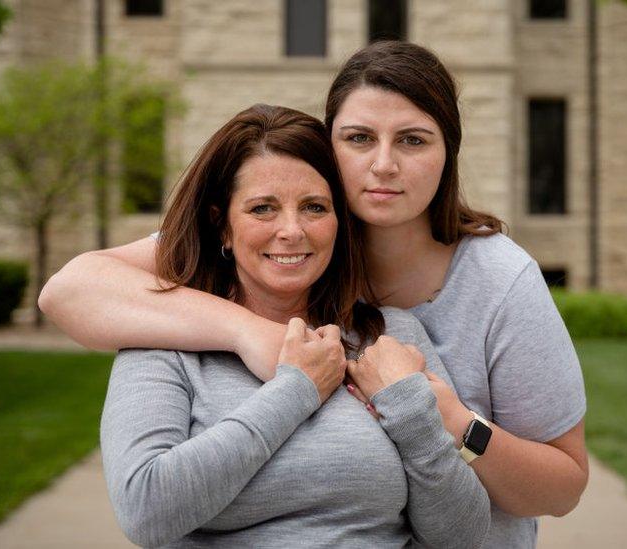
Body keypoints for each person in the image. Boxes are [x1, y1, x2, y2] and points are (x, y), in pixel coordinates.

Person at [42, 41, 587, 548]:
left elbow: (556, 489)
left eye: (414, 140)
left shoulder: (486, 284)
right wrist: (259, 340)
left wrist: (443, 415)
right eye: (358, 138)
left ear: (450, 153)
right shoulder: (249, 240)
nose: (383, 165)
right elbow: (70, 289)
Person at [99, 103, 490, 547]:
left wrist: (410, 411)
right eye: (263, 208)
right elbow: (144, 512)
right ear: (221, 226)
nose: (292, 230)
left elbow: (464, 535)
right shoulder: (165, 339)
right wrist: (295, 390)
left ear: (339, 223)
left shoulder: (390, 337)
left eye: (314, 207)